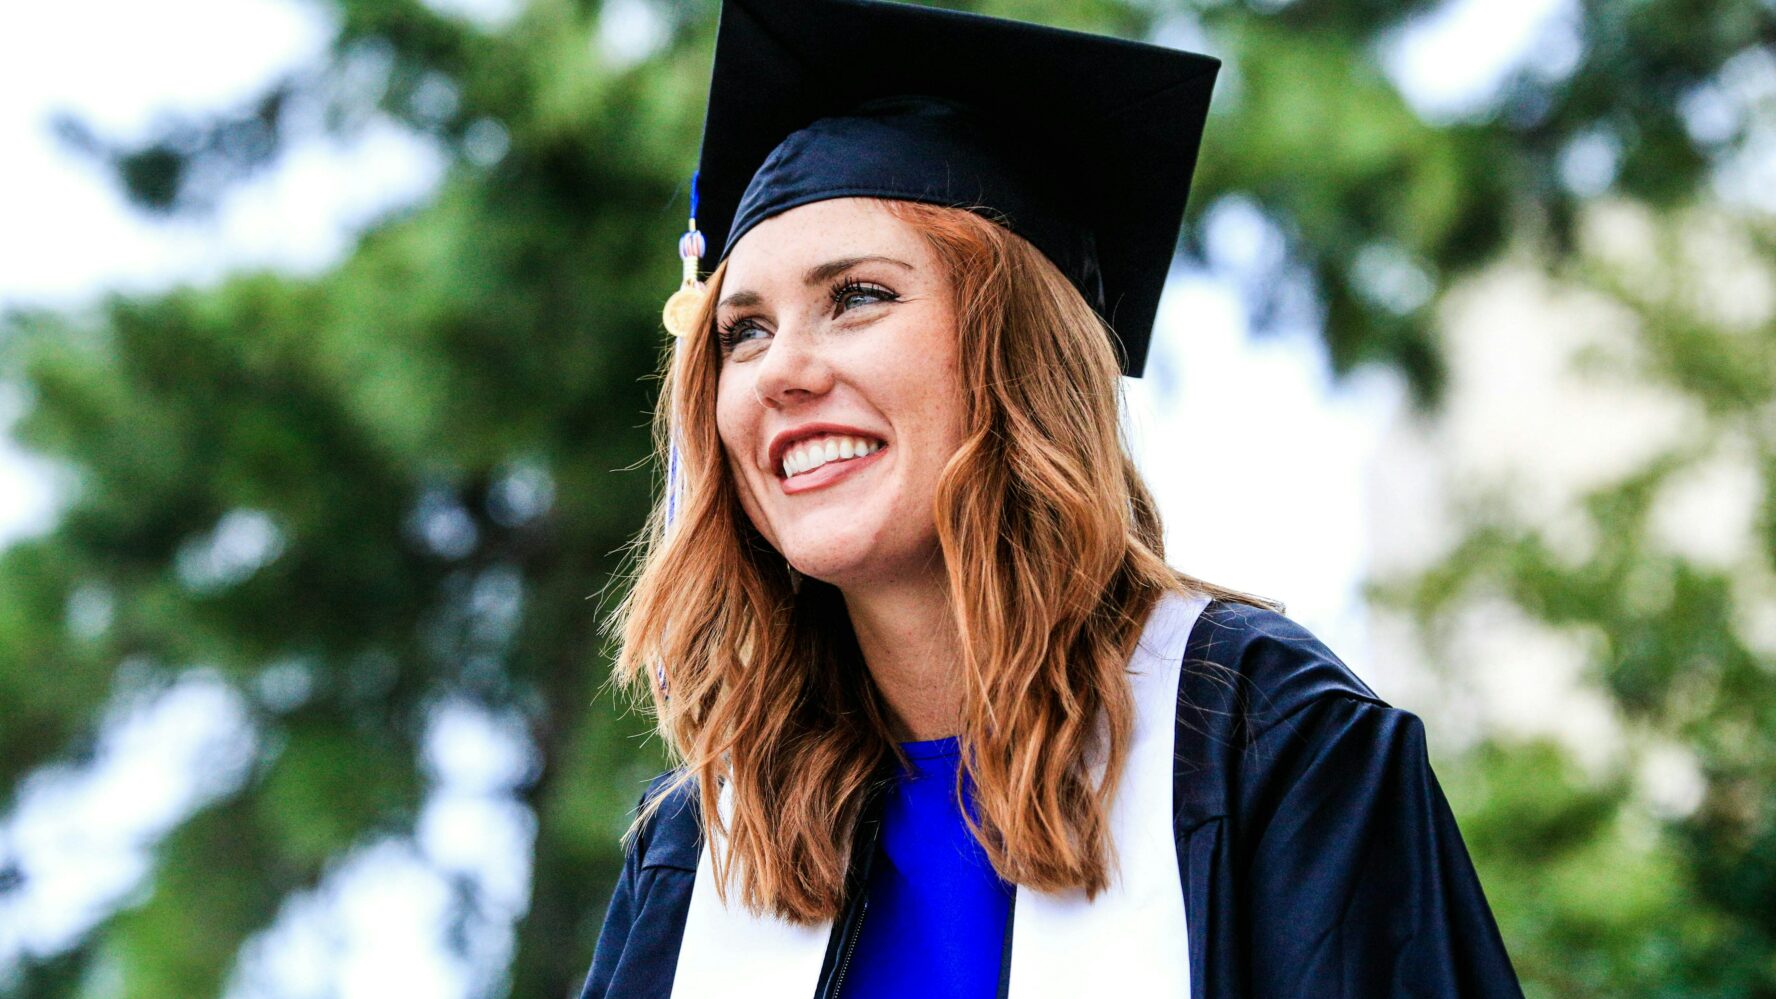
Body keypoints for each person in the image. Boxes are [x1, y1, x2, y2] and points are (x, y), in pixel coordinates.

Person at [582, 0, 1526, 996]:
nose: (783, 370)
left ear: (1022, 354)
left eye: (858, 296)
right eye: (743, 331)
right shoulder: (703, 851)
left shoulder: (1261, 744)